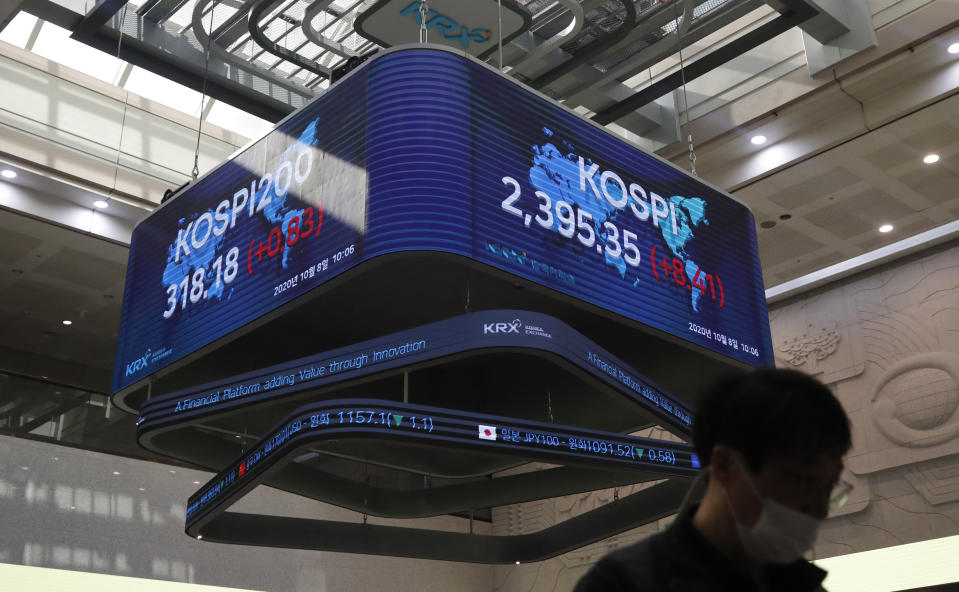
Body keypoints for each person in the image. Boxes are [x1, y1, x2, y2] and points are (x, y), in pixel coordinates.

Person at [573, 368, 851, 592]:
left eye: (828, 488)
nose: (820, 510)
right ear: (724, 465)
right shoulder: (622, 583)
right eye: (802, 482)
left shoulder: (804, 585)